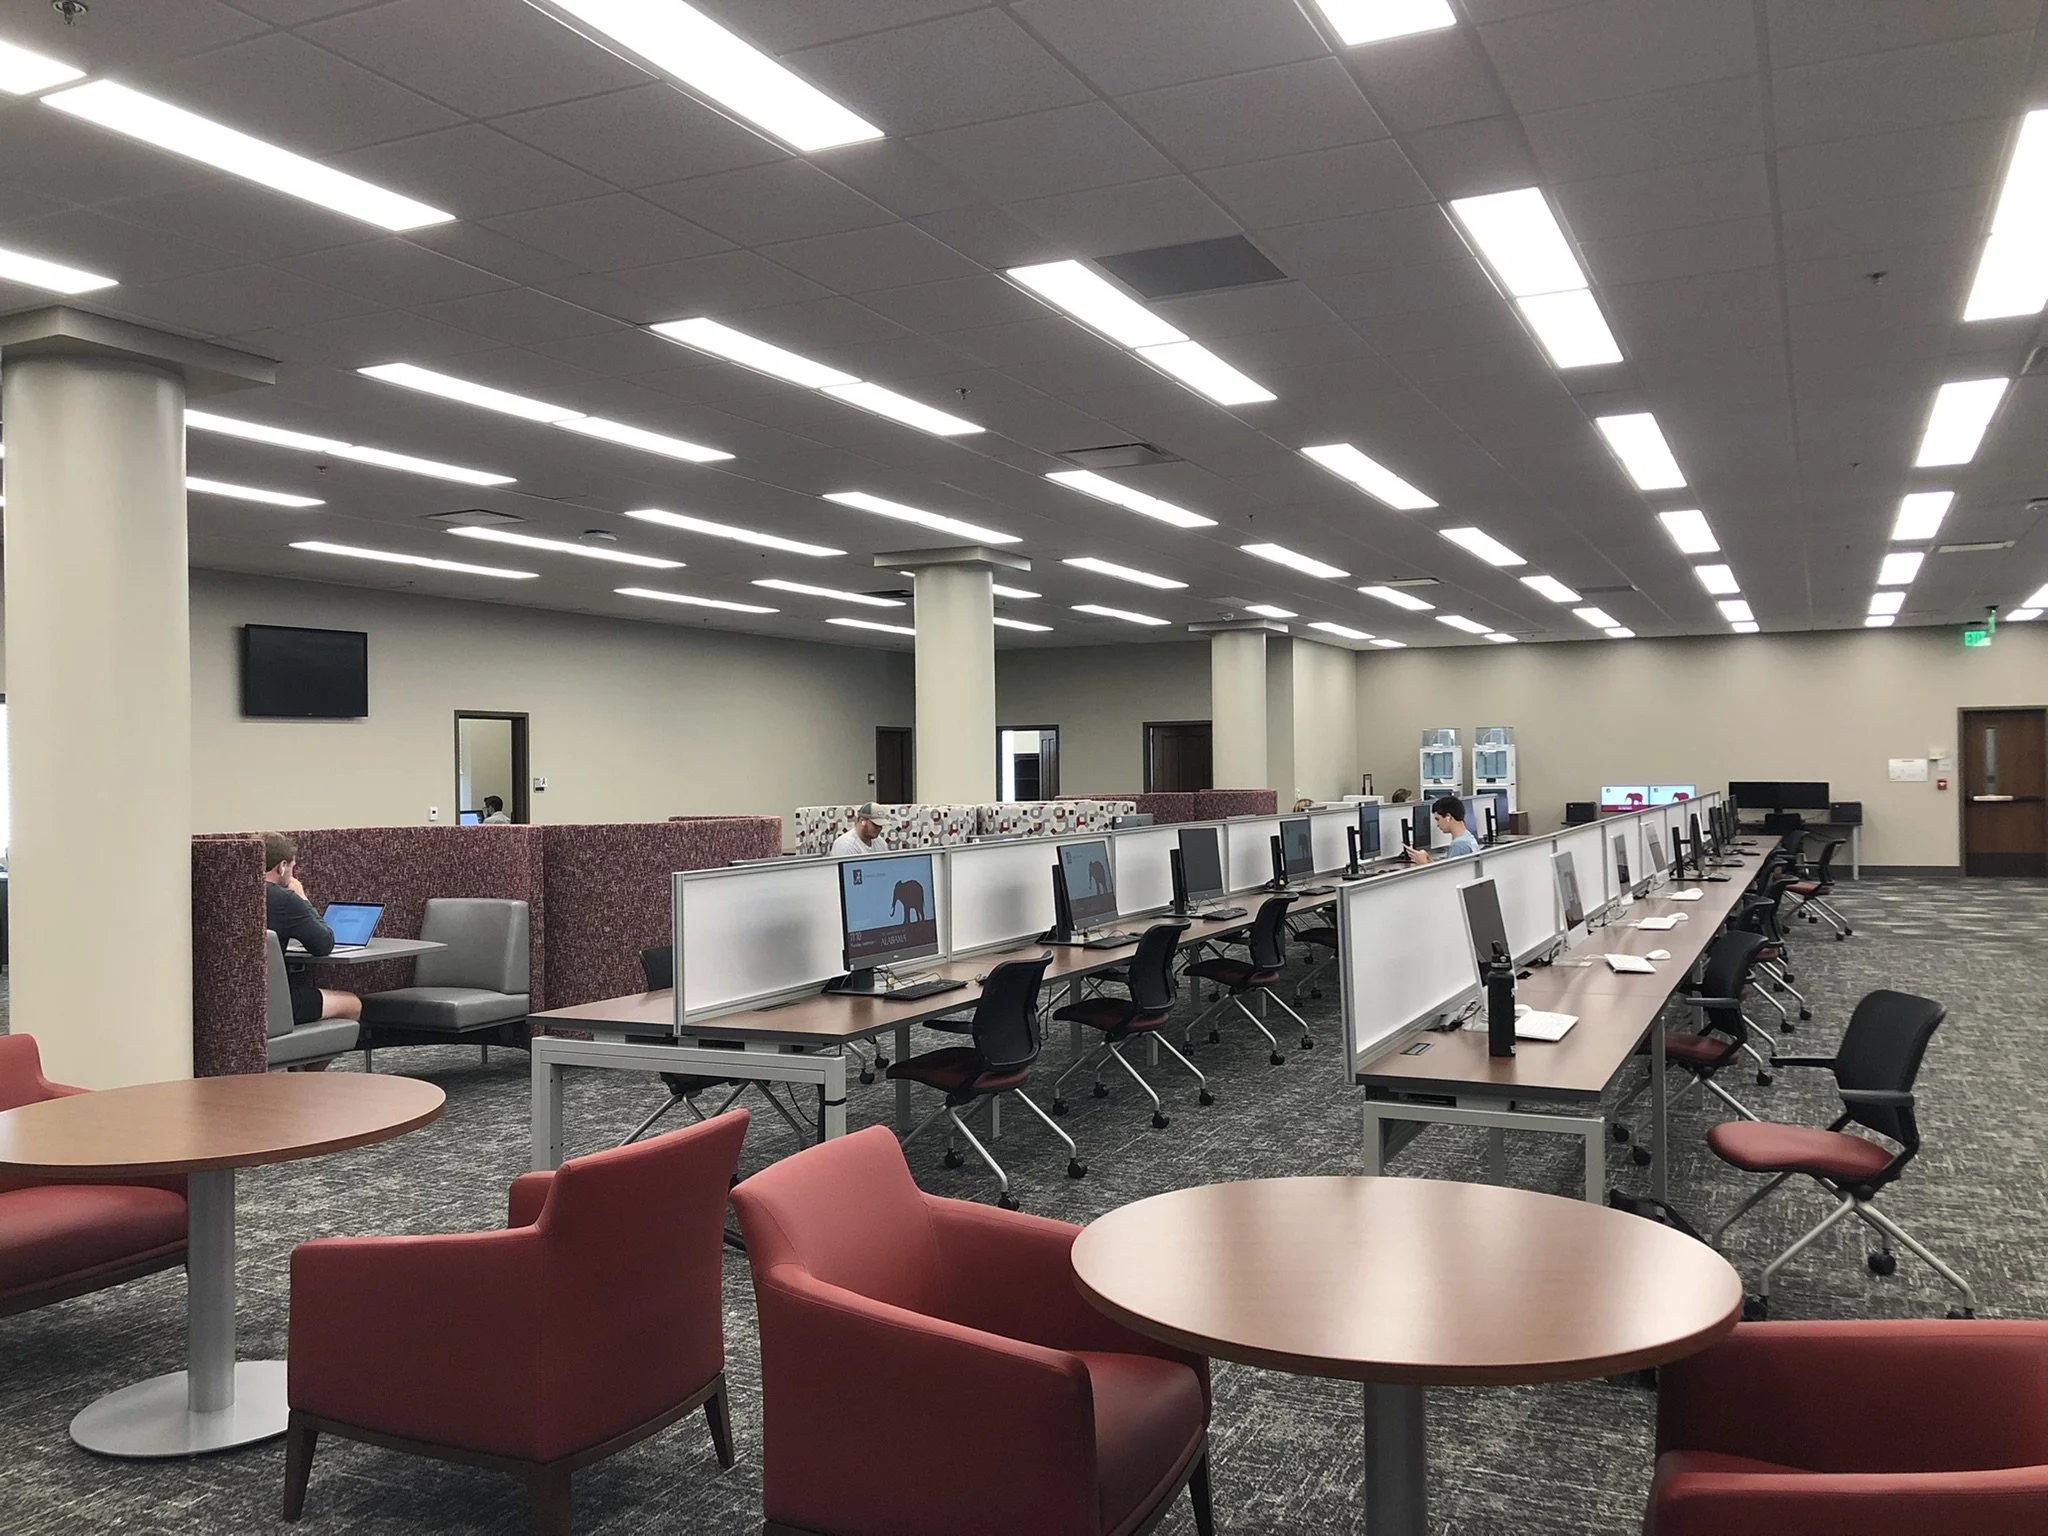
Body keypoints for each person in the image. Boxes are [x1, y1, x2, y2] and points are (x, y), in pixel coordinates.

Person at [263, 832, 362, 1025]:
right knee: (353, 1004)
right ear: (282, 866)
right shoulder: (284, 899)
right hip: (274, 1001)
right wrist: (300, 896)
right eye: (292, 867)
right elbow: (323, 943)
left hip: (237, 1000)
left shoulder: (235, 892)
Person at [1404, 795, 1480, 865]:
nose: (1437, 824)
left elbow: (1448, 877)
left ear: (1448, 817)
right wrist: (1430, 862)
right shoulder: (1468, 837)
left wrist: (1424, 863)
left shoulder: (1459, 845)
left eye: (1438, 819)